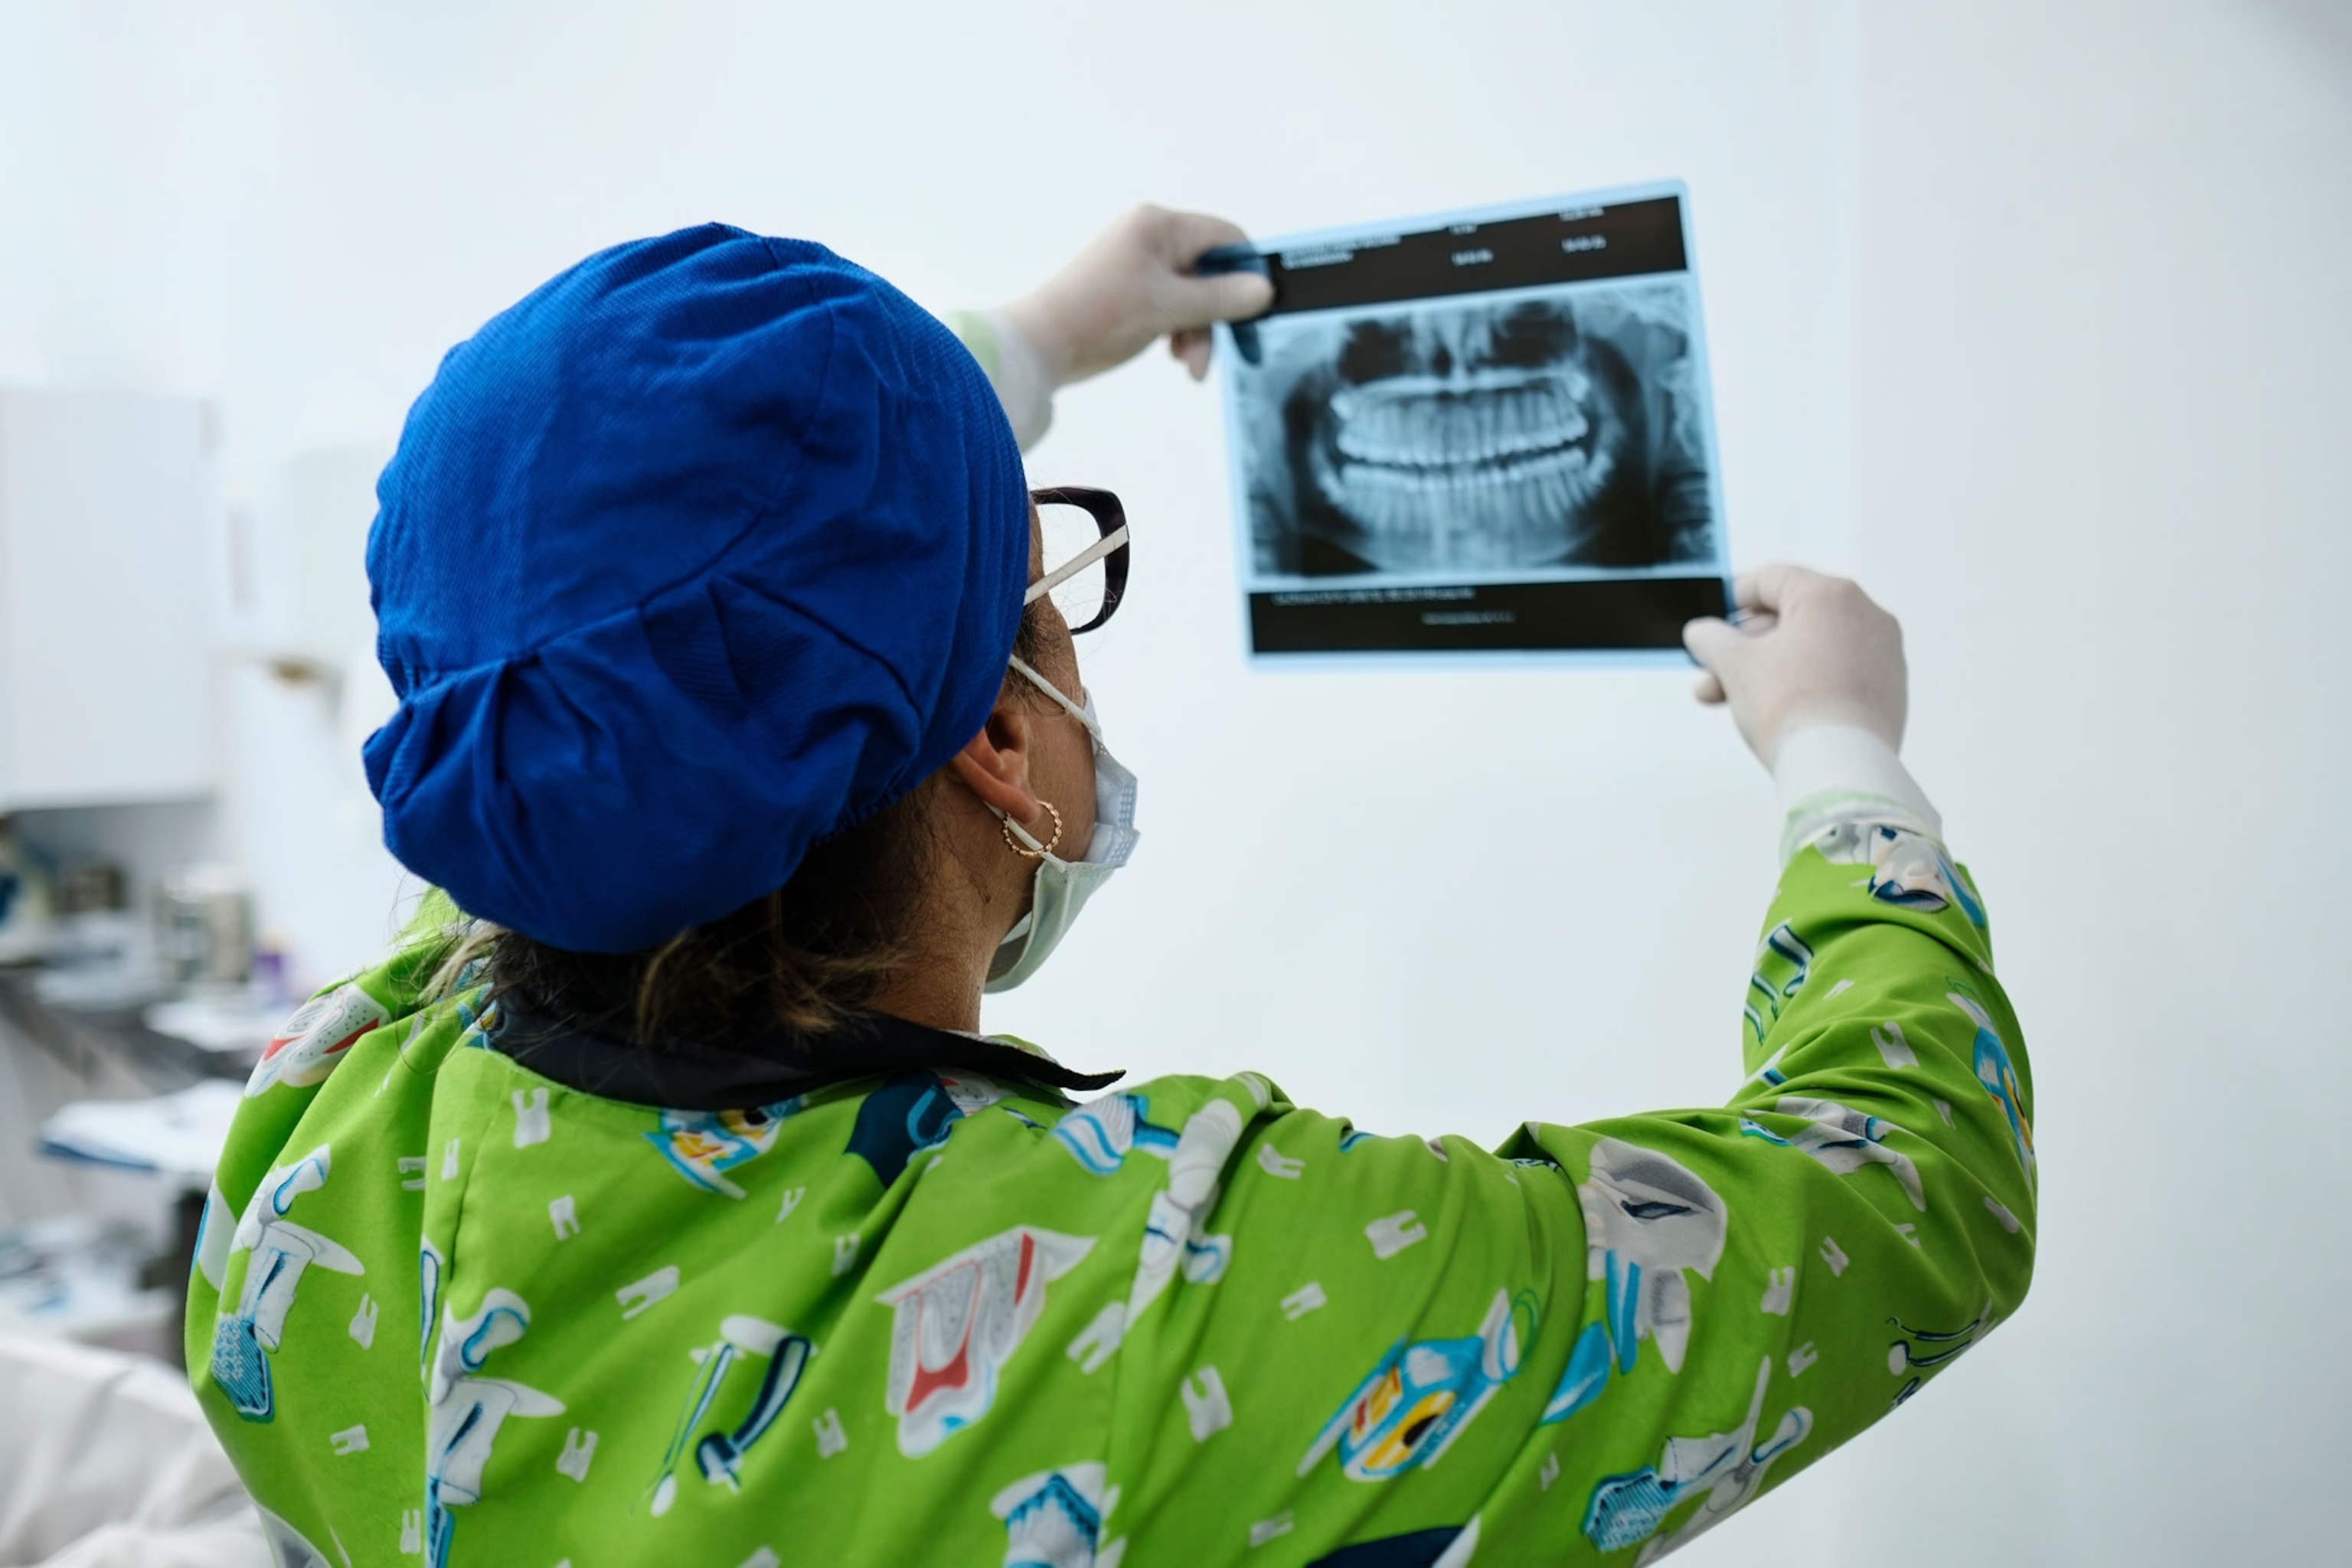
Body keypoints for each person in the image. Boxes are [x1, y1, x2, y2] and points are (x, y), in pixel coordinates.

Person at [186, 207, 2034, 1566]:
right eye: (1061, 587)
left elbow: (608, 636)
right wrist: (1840, 752)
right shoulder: (1168, 1305)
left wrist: (1029, 343)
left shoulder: (324, 1127)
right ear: (1001, 732)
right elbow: (1907, 1192)